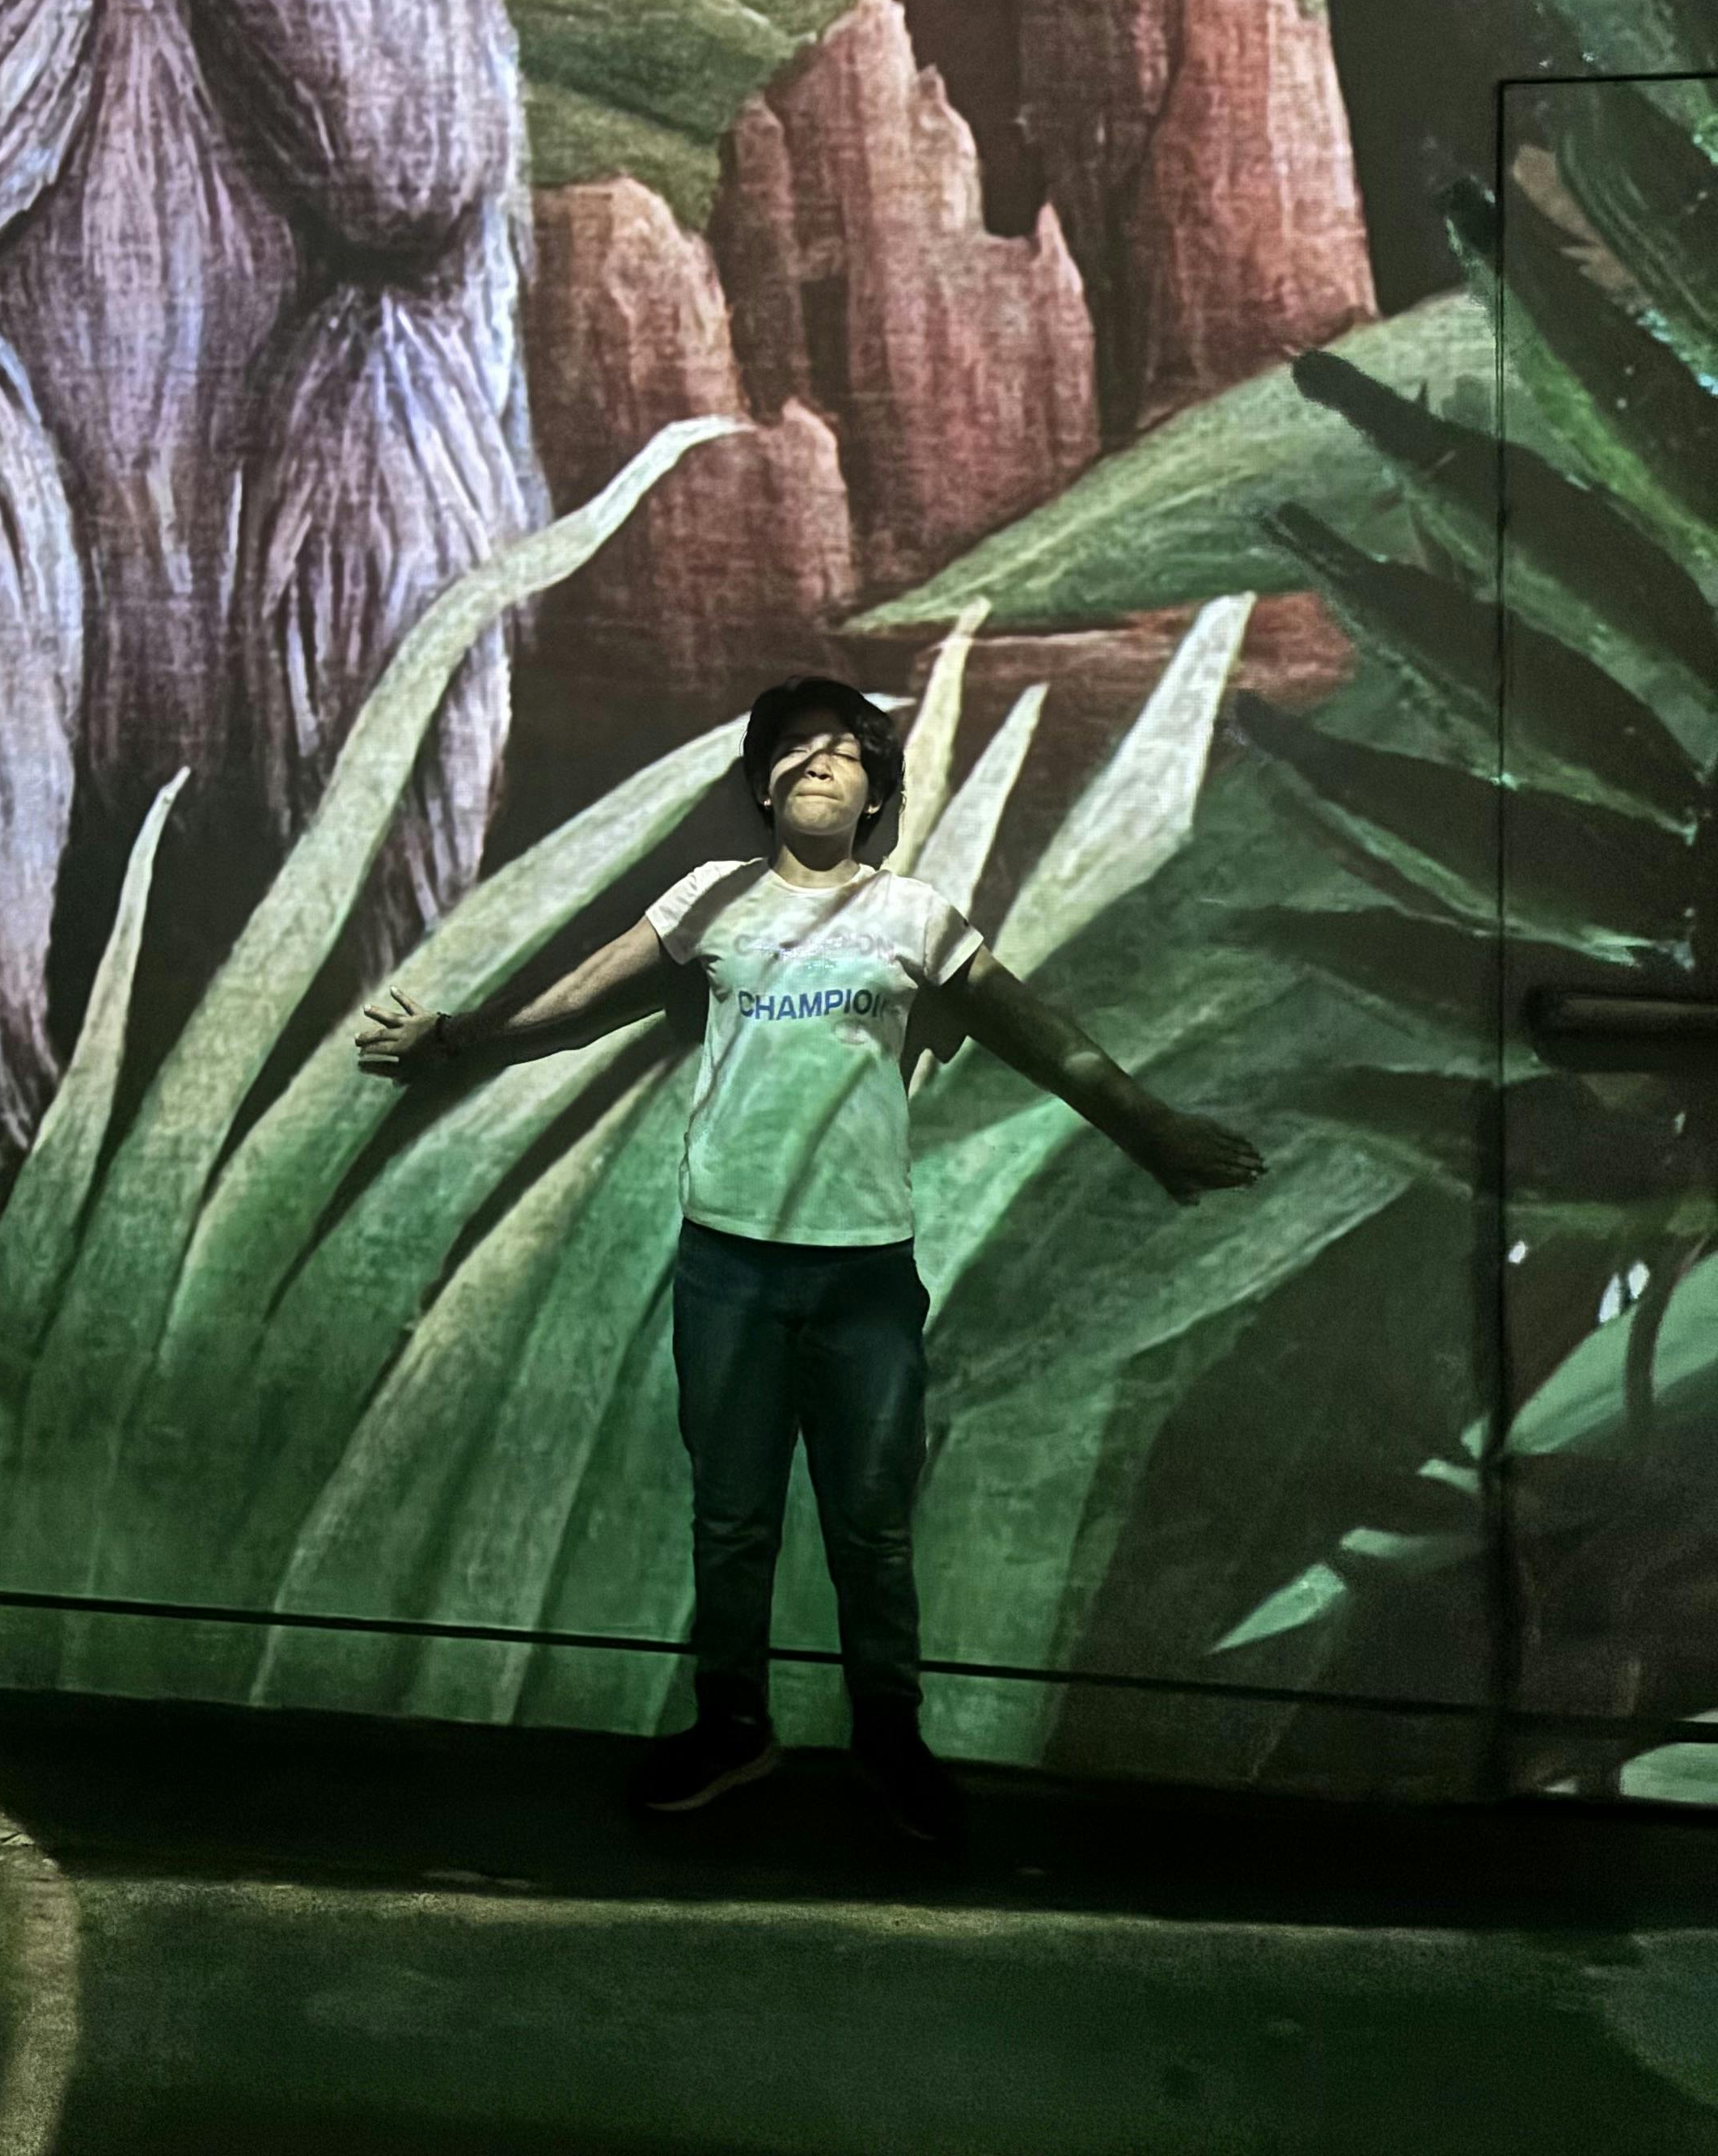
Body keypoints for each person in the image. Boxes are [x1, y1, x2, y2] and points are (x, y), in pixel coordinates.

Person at [354, 671, 1266, 1850]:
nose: (819, 757)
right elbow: (581, 1003)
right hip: (729, 1271)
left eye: (846, 747)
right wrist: (461, 1039)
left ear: (875, 792)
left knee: (871, 1527)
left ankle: (890, 1739)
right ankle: (734, 1728)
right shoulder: (710, 898)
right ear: (763, 781)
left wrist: (1150, 1129)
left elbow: (1040, 1037)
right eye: (794, 744)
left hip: (863, 1279)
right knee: (733, 1520)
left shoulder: (915, 916)